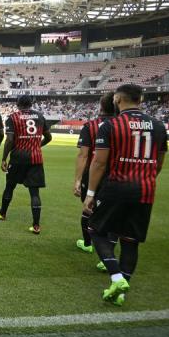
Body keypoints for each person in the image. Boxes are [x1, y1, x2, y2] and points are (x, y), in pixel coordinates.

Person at [83, 84, 168, 306]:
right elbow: (158, 164)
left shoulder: (111, 125)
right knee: (130, 241)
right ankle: (120, 294)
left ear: (118, 99)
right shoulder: (159, 126)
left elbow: (99, 162)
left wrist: (90, 193)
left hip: (117, 187)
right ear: (140, 99)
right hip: (145, 189)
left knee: (95, 230)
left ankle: (117, 277)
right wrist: (144, 178)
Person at [0, 95, 52, 234]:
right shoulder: (40, 116)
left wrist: (3, 159)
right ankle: (36, 225)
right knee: (34, 193)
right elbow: (49, 137)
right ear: (31, 104)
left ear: (18, 104)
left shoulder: (13, 117)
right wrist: (37, 146)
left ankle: (3, 213)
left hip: (18, 158)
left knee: (10, 186)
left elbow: (10, 140)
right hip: (35, 158)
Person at [73, 93, 115, 254]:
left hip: (93, 175)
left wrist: (77, 180)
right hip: (116, 176)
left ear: (101, 106)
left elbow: (83, 155)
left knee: (88, 209)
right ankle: (108, 252)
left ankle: (88, 243)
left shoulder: (90, 126)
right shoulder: (122, 125)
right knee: (112, 213)